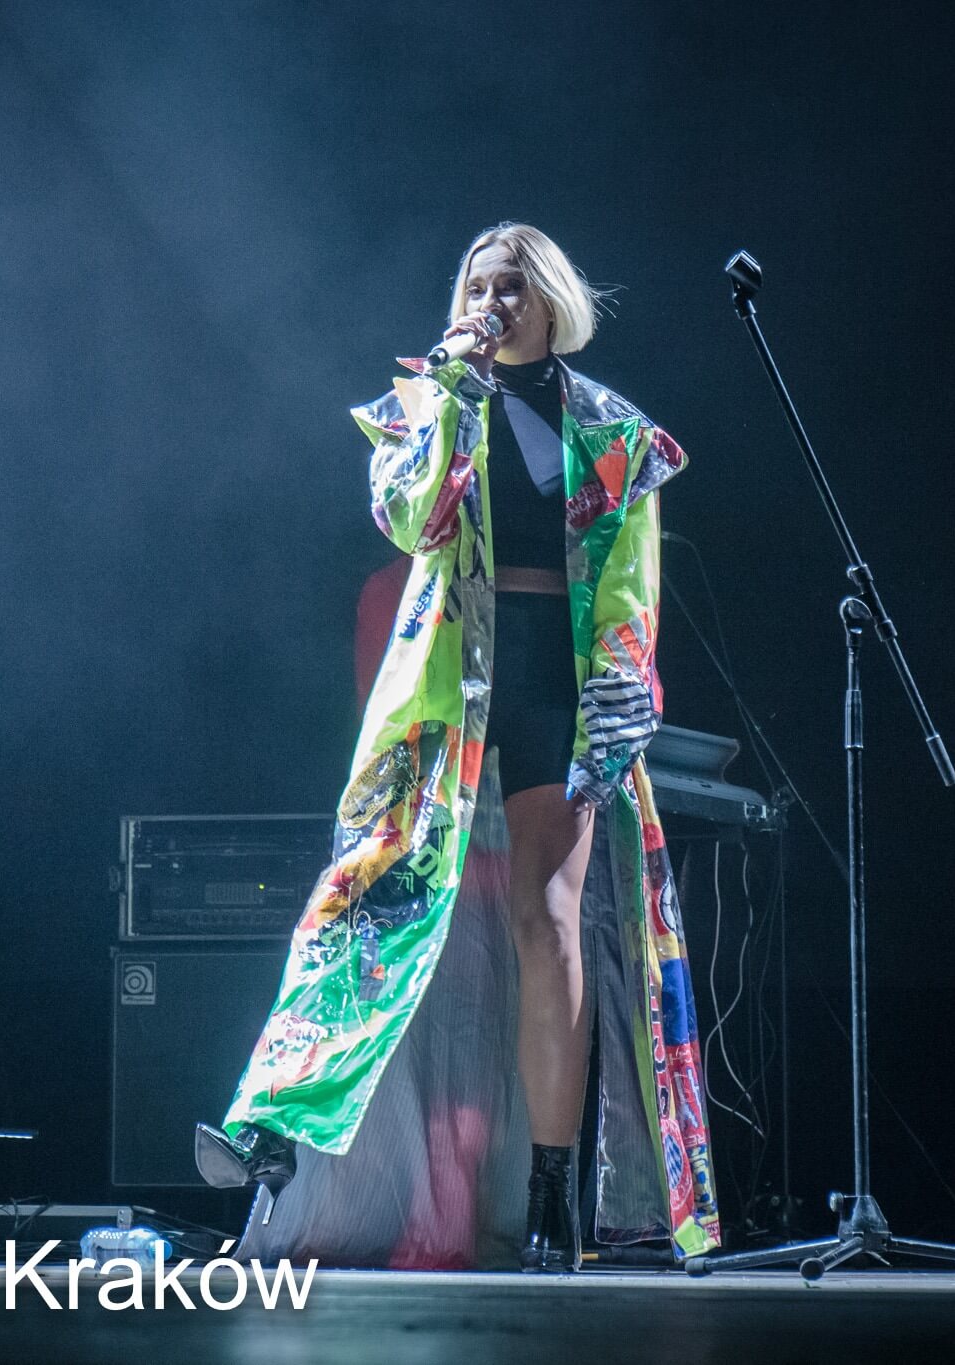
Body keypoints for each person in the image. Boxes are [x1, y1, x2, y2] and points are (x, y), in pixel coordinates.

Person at [196, 224, 719, 1271]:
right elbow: (408, 520)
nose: (491, 303)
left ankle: (549, 1193)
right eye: (476, 286)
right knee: (362, 899)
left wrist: (620, 697)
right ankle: (271, 1119)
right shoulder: (427, 405)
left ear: (553, 299)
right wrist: (448, 392)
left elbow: (629, 584)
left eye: (511, 286)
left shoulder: (612, 430)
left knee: (549, 920)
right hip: (445, 686)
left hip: (557, 679)